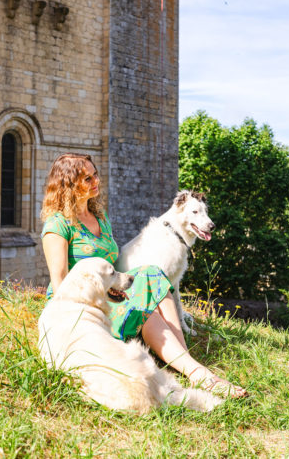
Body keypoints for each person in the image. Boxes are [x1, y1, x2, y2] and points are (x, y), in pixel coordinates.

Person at [39, 153, 246, 398]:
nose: (96, 181)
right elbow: (59, 282)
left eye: (95, 174)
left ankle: (185, 360)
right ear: (69, 184)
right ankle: (196, 372)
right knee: (145, 311)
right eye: (87, 178)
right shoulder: (58, 225)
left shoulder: (100, 217)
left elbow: (114, 267)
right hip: (85, 307)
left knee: (153, 275)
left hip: (112, 293)